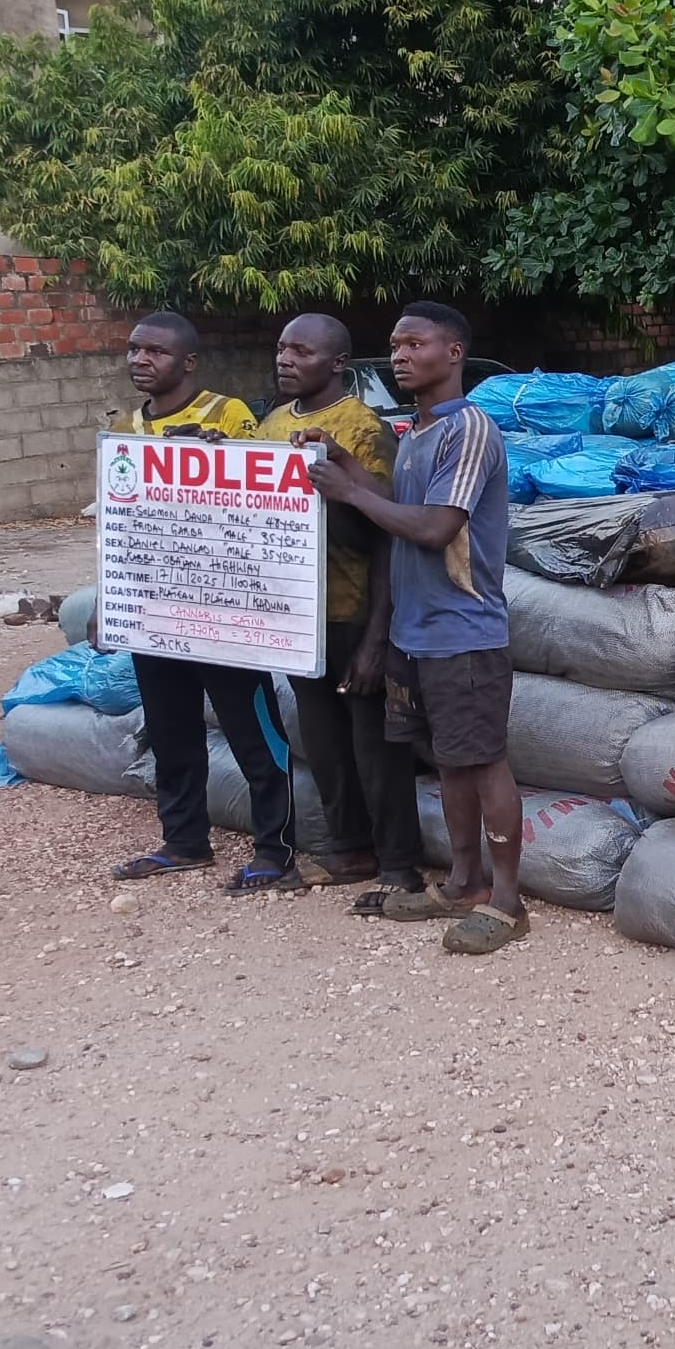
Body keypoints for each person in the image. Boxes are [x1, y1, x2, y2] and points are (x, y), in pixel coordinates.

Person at [306, 302, 526, 954]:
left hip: (464, 630)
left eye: (414, 343)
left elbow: (435, 527)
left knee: (484, 762)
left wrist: (351, 494)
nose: (399, 355)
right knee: (451, 762)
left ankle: (508, 901)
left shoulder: (470, 429)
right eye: (394, 345)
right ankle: (462, 883)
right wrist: (343, 460)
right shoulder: (417, 431)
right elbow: (396, 501)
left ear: (453, 353)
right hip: (416, 632)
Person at [107, 312, 304, 894]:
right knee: (171, 732)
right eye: (135, 350)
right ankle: (184, 841)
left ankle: (276, 851)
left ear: (188, 362)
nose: (141, 360)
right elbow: (120, 524)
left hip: (226, 609)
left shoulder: (228, 415)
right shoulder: (124, 428)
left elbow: (265, 496)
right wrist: (110, 597)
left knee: (253, 732)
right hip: (157, 609)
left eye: (157, 353)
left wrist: (220, 455)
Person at [254, 314, 425, 911]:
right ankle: (350, 848)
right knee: (323, 743)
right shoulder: (271, 425)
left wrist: (378, 637)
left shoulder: (364, 429)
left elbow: (386, 534)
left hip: (354, 611)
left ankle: (400, 865)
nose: (285, 359)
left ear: (337, 364)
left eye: (301, 350)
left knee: (375, 747)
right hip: (297, 615)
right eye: (281, 349)